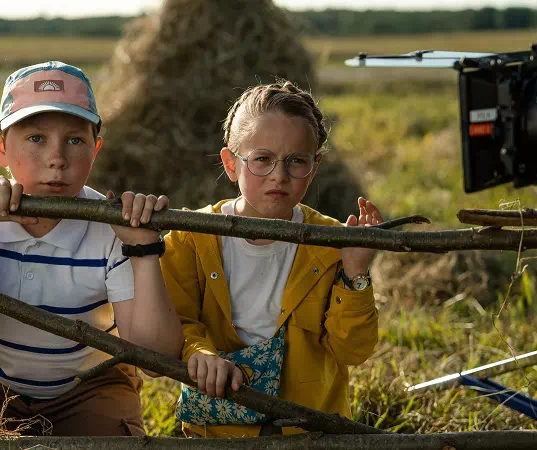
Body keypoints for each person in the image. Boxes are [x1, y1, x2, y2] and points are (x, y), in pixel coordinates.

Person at [0, 61, 184, 437]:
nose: (57, 158)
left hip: (89, 386)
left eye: (75, 140)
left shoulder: (111, 228)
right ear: (0, 147)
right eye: (36, 138)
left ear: (96, 149)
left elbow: (156, 359)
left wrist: (142, 250)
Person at [160, 79, 383, 438]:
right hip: (218, 432)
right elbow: (175, 321)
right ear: (231, 164)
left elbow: (353, 351)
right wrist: (198, 351)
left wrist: (355, 273)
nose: (279, 176)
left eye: (296, 161)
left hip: (310, 430)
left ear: (315, 166)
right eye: (262, 159)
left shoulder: (330, 242)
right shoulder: (191, 238)